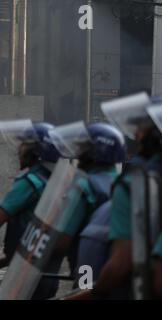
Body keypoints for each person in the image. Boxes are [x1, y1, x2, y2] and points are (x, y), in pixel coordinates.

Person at [66, 92, 162, 299]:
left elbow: (121, 263)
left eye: (142, 131)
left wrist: (88, 294)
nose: (137, 137)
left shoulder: (133, 186)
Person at [0, 119, 61, 299]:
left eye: (24, 145)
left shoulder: (29, 182)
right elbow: (34, 240)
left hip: (24, 279)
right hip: (46, 275)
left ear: (36, 151)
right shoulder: (51, 181)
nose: (19, 150)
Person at [47, 121, 126, 284]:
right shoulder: (121, 183)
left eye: (82, 149)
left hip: (86, 267)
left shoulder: (84, 186)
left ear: (94, 153)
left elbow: (62, 242)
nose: (77, 154)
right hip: (115, 272)